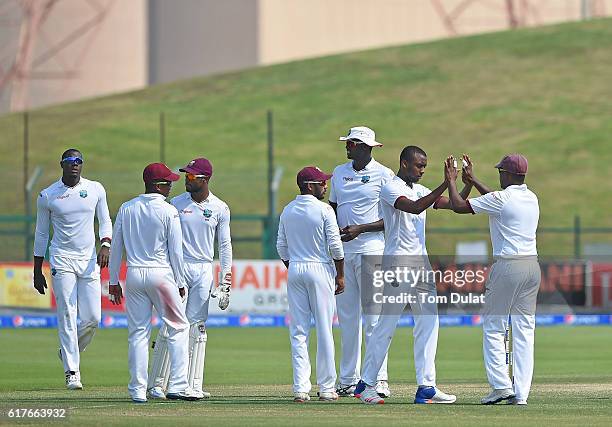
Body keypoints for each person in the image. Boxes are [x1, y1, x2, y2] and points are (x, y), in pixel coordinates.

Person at [356, 147, 469, 405]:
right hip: (398, 264)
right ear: (404, 163)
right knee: (387, 324)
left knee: (429, 323)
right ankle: (366, 384)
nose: (422, 171)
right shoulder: (389, 187)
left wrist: (465, 184)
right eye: (419, 166)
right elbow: (416, 208)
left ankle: (426, 386)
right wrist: (445, 182)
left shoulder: (420, 189)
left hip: (421, 264)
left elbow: (454, 204)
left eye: (424, 167)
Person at [444, 153, 540, 406]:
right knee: (524, 330)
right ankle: (521, 394)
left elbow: (457, 206)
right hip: (532, 267)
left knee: (494, 327)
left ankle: (500, 386)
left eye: (500, 172)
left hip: (509, 267)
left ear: (507, 175)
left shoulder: (502, 199)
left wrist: (452, 180)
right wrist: (474, 180)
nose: (499, 176)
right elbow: (495, 201)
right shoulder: (531, 197)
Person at [108, 162, 197, 403]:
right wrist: (180, 281)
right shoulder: (169, 211)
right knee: (179, 327)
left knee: (138, 334)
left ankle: (137, 391)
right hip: (161, 274)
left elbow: (116, 247)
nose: (170, 187)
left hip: (135, 275)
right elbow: (176, 252)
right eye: (167, 183)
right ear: (157, 185)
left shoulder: (127, 208)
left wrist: (113, 280)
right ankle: (178, 385)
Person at [147, 158, 233, 400]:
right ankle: (157, 384)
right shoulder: (175, 204)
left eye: (192, 177)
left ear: (205, 179)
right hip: (179, 268)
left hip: (204, 268)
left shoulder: (219, 208)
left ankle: (192, 384)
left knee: (197, 328)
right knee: (171, 325)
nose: (187, 179)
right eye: (186, 175)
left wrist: (225, 280)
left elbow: (224, 245)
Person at [33, 149, 112, 390]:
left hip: (88, 260)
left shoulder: (96, 189)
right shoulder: (48, 195)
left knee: (93, 318)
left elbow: (105, 220)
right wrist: (38, 269)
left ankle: (67, 351)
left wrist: (106, 243)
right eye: (70, 162)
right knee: (67, 312)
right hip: (62, 259)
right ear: (62, 165)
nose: (74, 165)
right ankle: (72, 371)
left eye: (78, 161)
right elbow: (42, 233)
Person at [328, 126, 394, 397]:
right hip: (344, 254)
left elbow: (391, 218)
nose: (347, 147)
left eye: (352, 143)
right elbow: (331, 209)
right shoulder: (339, 172)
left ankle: (378, 379)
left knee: (375, 319)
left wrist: (361, 228)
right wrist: (332, 236)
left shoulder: (385, 174)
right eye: (348, 143)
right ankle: (347, 379)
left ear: (366, 147)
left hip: (372, 251)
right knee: (347, 319)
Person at [277, 166, 345, 403]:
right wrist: (340, 275)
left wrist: (294, 265)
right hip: (319, 268)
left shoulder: (288, 209)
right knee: (324, 329)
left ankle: (300, 389)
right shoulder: (324, 209)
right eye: (321, 183)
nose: (325, 186)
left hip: (295, 268)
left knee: (298, 330)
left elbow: (281, 246)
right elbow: (336, 246)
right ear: (309, 185)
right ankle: (327, 388)